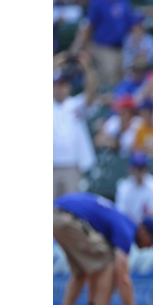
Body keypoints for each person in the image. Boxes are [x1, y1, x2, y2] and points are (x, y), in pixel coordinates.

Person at [53, 192, 153, 305]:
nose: (149, 247)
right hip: (66, 217)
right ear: (143, 231)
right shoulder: (127, 230)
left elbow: (95, 270)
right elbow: (122, 279)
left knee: (82, 272)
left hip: (58, 215)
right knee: (108, 261)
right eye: (151, 241)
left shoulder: (122, 222)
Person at [69, 0, 137, 89]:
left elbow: (130, 24)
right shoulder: (98, 2)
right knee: (109, 78)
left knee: (121, 79)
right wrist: (87, 46)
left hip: (121, 48)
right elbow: (90, 26)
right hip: (103, 47)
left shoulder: (124, 2)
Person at [53, 51, 98, 198]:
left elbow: (91, 93)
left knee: (70, 207)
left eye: (64, 85)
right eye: (58, 85)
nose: (61, 88)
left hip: (71, 165)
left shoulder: (74, 104)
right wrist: (55, 63)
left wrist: (87, 68)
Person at [115, 151, 153, 223]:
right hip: (130, 224)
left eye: (141, 168)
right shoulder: (123, 186)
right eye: (136, 168)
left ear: (147, 168)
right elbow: (120, 212)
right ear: (130, 169)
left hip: (150, 226)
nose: (138, 171)